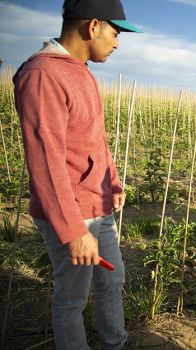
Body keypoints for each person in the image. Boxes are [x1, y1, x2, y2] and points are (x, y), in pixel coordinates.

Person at [13, 1, 141, 348]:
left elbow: (94, 137)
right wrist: (72, 230)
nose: (117, 43)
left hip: (97, 204)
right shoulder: (43, 74)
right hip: (71, 211)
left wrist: (111, 178)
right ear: (93, 26)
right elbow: (45, 158)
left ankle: (116, 343)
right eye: (115, 34)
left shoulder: (79, 70)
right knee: (73, 297)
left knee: (113, 281)